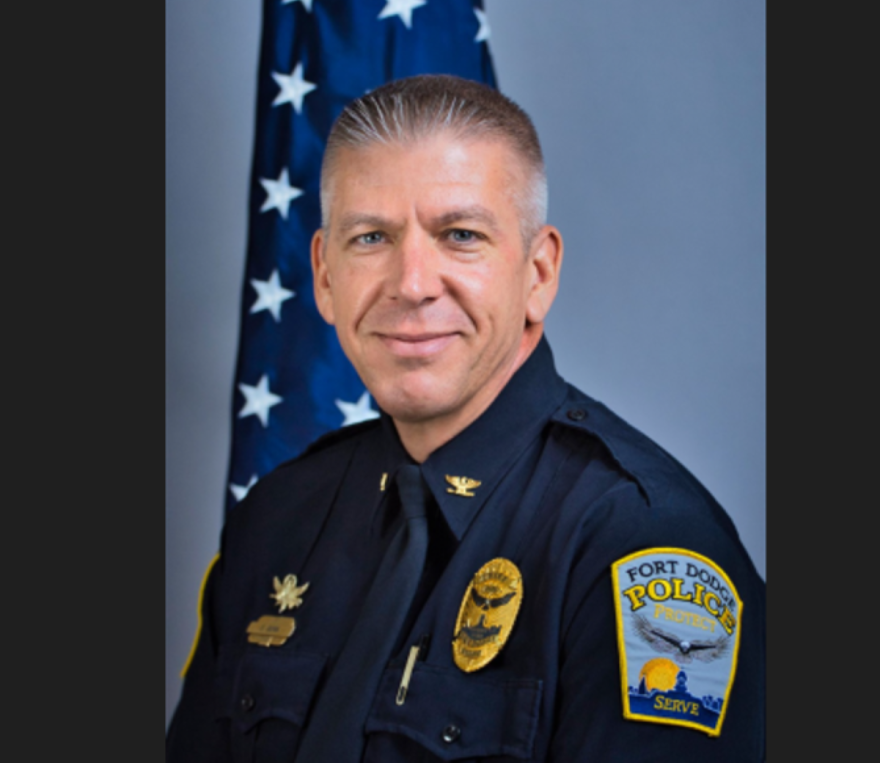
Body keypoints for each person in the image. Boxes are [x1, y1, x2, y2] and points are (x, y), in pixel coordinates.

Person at [166, 74, 765, 762]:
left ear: (538, 273)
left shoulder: (638, 544)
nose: (413, 282)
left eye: (459, 234)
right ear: (325, 277)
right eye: (370, 238)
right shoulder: (276, 520)